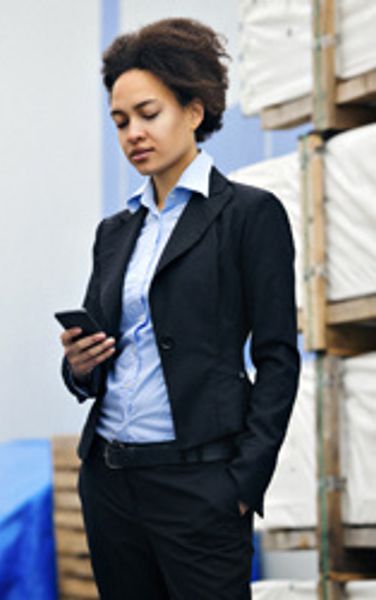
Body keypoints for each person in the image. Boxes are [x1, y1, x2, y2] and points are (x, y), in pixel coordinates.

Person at [59, 17, 300, 600]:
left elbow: (277, 357)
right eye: (120, 121)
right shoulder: (115, 232)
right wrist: (79, 365)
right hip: (111, 481)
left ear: (194, 111)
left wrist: (243, 481)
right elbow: (94, 366)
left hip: (201, 483)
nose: (133, 133)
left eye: (149, 113)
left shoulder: (248, 215)